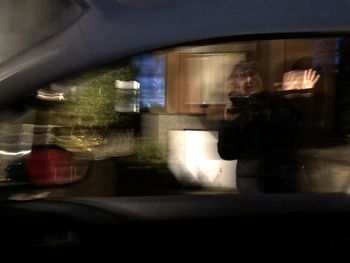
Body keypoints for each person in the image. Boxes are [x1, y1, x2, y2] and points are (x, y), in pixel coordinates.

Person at [217, 61, 320, 193]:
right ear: (235, 84)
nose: (249, 79)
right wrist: (229, 123)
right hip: (252, 186)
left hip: (282, 182)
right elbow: (227, 153)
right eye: (243, 76)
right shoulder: (235, 110)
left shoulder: (276, 102)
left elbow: (298, 132)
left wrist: (303, 95)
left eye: (252, 74)